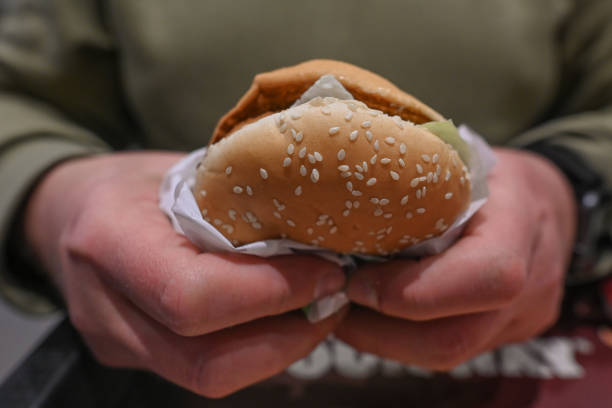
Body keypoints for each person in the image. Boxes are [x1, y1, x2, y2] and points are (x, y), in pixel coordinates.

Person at [1, 0, 611, 400]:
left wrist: (567, 190)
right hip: (160, 365)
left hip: (519, 363)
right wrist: (55, 194)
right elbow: (18, 98)